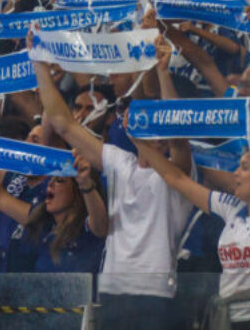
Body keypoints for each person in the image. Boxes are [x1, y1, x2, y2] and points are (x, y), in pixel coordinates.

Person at [36, 35, 196, 330]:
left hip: (155, 294)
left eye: (149, 121)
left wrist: (161, 72)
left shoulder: (176, 174)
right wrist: (40, 65)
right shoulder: (121, 162)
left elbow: (177, 129)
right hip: (112, 290)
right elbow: (64, 124)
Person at [135, 103, 250, 330]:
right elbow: (178, 180)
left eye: (245, 168)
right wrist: (138, 142)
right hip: (226, 318)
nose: (236, 173)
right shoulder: (231, 208)